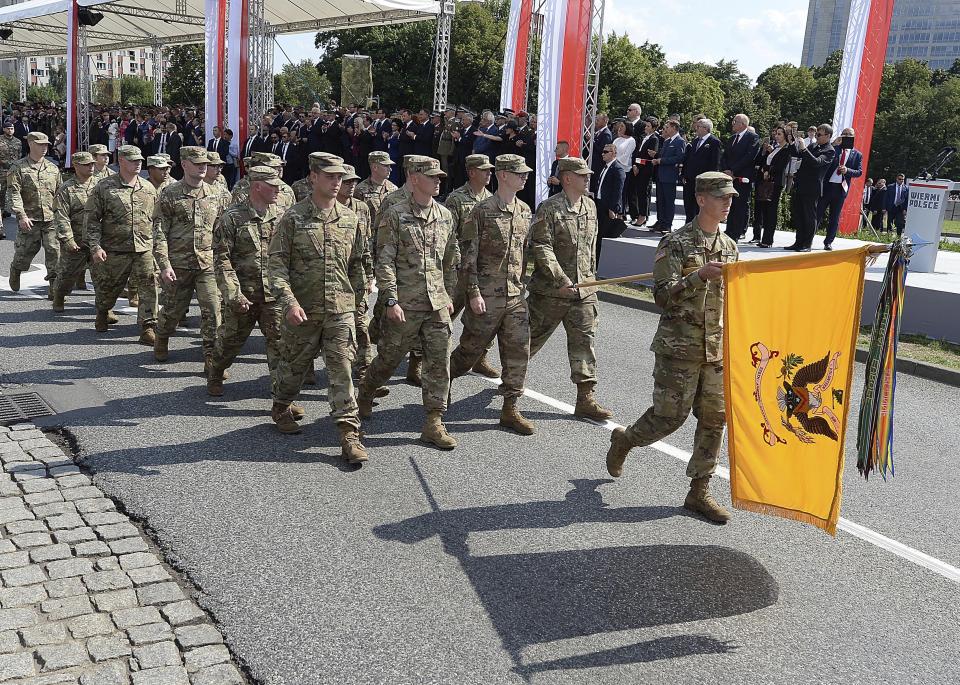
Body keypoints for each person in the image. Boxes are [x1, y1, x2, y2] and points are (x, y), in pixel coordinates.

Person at [606, 171, 740, 523]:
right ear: (701, 199)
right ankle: (626, 440)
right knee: (669, 418)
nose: (727, 203)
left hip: (715, 351)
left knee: (715, 419)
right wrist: (698, 276)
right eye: (721, 196)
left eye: (730, 197)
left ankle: (699, 492)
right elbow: (662, 295)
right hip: (678, 348)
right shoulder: (675, 242)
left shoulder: (729, 247)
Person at [266, 155, 369, 464]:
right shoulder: (293, 218)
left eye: (340, 177)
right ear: (313, 177)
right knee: (293, 370)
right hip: (304, 309)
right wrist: (289, 302)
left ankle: (349, 435)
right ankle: (281, 404)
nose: (336, 182)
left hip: (340, 310)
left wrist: (359, 303)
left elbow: (360, 264)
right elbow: (276, 265)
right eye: (329, 176)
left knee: (341, 369)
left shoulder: (351, 219)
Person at [356, 157, 461, 450]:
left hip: (437, 303)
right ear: (415, 179)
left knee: (439, 362)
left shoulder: (444, 215)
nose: (438, 180)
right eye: (432, 176)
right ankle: (365, 391)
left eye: (440, 175)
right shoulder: (396, 214)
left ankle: (434, 421)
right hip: (406, 302)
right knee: (389, 358)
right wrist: (390, 298)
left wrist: (449, 295)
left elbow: (451, 259)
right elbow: (385, 260)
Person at [449, 154, 535, 434]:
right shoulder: (482, 211)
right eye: (519, 172)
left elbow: (524, 253)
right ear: (504, 175)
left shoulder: (524, 210)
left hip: (514, 296)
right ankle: (442, 379)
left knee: (518, 351)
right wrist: (473, 293)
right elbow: (468, 257)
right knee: (469, 353)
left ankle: (510, 408)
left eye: (525, 173)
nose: (524, 176)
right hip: (486, 296)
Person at [527, 157, 613, 421]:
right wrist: (561, 279)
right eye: (582, 175)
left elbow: (590, 249)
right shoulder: (549, 208)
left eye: (588, 175)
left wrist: (590, 280)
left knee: (584, 342)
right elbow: (541, 246)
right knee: (526, 341)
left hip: (583, 290)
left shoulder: (590, 206)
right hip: (552, 291)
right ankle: (511, 384)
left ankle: (585, 398)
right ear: (566, 178)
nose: (587, 179)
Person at [207, 166, 286, 398]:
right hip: (244, 295)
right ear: (257, 186)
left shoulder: (281, 216)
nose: (278, 189)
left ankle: (282, 401)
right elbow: (222, 260)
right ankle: (216, 371)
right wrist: (234, 294)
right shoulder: (232, 218)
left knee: (280, 346)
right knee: (230, 342)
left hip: (273, 296)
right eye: (272, 185)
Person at [152, 146, 226, 370]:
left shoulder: (218, 193)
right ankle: (162, 336)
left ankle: (212, 360)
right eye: (197, 163)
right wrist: (164, 265)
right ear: (184, 164)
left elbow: (224, 231)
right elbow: (159, 231)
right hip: (179, 265)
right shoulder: (170, 194)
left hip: (208, 264)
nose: (203, 167)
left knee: (213, 311)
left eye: (205, 163)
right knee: (172, 312)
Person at [86, 145, 158, 341]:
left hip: (143, 248)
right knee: (110, 288)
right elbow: (92, 219)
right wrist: (95, 246)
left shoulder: (148, 188)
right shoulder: (104, 187)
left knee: (149, 286)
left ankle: (147, 326)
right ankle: (102, 310)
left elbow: (156, 220)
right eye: (133, 160)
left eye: (140, 160)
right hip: (115, 248)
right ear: (122, 161)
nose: (138, 163)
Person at [444, 154, 497, 377]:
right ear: (471, 172)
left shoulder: (491, 198)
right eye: (484, 170)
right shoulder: (456, 199)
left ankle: (480, 357)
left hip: (481, 270)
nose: (489, 173)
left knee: (486, 317)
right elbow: (449, 235)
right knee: (445, 315)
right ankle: (425, 357)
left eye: (490, 170)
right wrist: (456, 262)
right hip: (458, 269)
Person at [6, 132, 61, 297]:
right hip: (30, 219)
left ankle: (54, 287)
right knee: (24, 254)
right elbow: (13, 193)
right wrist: (21, 215)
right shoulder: (18, 168)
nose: (44, 148)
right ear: (30, 144)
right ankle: (15, 270)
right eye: (40, 144)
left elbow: (59, 193)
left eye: (46, 145)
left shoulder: (52, 168)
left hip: (51, 219)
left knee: (54, 252)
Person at [337, 164, 376, 377]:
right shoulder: (326, 206)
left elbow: (366, 242)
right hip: (332, 276)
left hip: (357, 275)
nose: (351, 185)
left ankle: (365, 371)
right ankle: (306, 368)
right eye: (346, 181)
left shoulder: (361, 208)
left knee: (361, 323)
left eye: (354, 181)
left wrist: (369, 275)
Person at [51, 152, 99, 313]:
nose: (91, 167)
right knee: (67, 275)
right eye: (86, 164)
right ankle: (59, 295)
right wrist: (68, 240)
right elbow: (61, 216)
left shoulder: (101, 186)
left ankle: (104, 309)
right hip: (76, 240)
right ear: (76, 166)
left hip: (97, 241)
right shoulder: (67, 189)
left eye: (92, 164)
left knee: (102, 276)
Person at [785, 124, 835, 252]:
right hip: (801, 184)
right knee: (799, 214)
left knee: (809, 216)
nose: (816, 136)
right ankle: (798, 242)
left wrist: (804, 149)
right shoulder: (813, 146)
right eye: (816, 134)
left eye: (819, 134)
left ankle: (807, 244)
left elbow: (817, 162)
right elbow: (798, 154)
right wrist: (792, 142)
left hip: (812, 187)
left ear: (828, 136)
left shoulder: (829, 150)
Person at [817, 127, 863, 250]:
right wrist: (833, 144)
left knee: (834, 217)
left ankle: (828, 242)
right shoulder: (833, 149)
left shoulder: (857, 154)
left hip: (841, 189)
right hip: (827, 186)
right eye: (844, 134)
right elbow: (822, 155)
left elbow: (859, 172)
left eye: (850, 134)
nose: (847, 136)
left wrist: (847, 170)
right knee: (818, 213)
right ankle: (808, 238)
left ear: (853, 137)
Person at [722, 114, 760, 241]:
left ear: (743, 124)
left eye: (735, 121)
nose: (732, 123)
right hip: (729, 177)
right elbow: (725, 155)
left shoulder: (752, 138)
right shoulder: (732, 138)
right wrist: (726, 170)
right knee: (730, 204)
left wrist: (733, 171)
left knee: (740, 205)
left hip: (742, 177)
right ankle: (728, 230)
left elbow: (749, 157)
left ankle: (736, 233)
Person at [755, 125, 792, 248]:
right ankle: (764, 238)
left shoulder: (786, 149)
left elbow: (780, 166)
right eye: (776, 134)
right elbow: (764, 161)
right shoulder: (775, 148)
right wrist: (764, 169)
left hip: (776, 183)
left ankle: (768, 239)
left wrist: (768, 170)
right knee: (765, 209)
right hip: (766, 181)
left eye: (780, 134)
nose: (777, 136)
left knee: (771, 211)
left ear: (786, 136)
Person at [681, 118, 722, 221]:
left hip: (703, 181)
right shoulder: (695, 141)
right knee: (689, 205)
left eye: (698, 126)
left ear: (705, 128)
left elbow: (715, 163)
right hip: (690, 179)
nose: (696, 129)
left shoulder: (714, 142)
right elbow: (689, 159)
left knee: (699, 207)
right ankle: (689, 228)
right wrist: (684, 174)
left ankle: (699, 230)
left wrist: (710, 180)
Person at [649, 119, 686, 232]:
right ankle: (660, 222)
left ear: (674, 128)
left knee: (668, 201)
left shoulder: (679, 141)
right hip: (661, 175)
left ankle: (667, 224)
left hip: (669, 176)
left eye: (668, 127)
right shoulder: (667, 141)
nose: (666, 129)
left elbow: (679, 157)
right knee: (660, 200)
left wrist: (661, 161)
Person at [594, 143, 626, 267]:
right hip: (599, 203)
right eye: (603, 151)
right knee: (598, 234)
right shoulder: (605, 167)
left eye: (606, 152)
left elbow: (618, 191)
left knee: (603, 235)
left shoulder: (618, 169)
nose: (603, 154)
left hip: (608, 207)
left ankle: (600, 264)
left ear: (613, 154)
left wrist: (613, 208)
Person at [631, 117, 660, 226]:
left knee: (644, 193)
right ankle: (641, 214)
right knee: (639, 192)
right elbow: (638, 154)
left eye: (648, 126)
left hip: (646, 170)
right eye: (645, 125)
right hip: (638, 168)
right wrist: (635, 165)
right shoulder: (644, 137)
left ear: (653, 128)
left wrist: (638, 166)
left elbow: (649, 157)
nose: (645, 127)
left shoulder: (654, 139)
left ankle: (643, 215)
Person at [354, 151, 398, 220]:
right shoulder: (360, 190)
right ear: (375, 167)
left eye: (390, 166)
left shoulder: (393, 189)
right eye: (386, 166)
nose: (390, 169)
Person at [0, 119, 22, 227]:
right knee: (2, 193)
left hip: (15, 171)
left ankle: (19, 214)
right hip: (2, 171)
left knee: (16, 193)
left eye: (12, 128)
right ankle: (2, 212)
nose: (10, 130)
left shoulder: (18, 141)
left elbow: (20, 156)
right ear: (4, 129)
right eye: (8, 128)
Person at [591, 114, 613, 181]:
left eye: (598, 120)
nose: (596, 122)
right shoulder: (598, 132)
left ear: (605, 121)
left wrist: (592, 141)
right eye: (595, 120)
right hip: (593, 164)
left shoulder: (606, 134)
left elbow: (602, 150)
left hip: (598, 165)